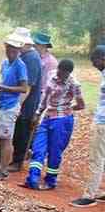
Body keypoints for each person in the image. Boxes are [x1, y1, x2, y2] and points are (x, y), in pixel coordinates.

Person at [0, 27, 43, 171]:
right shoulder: (18, 57)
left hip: (25, 102)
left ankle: (16, 161)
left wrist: (18, 105)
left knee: (21, 131)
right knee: (7, 132)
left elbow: (27, 87)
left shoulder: (32, 59)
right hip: (11, 101)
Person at [23, 59, 84, 190]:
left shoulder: (74, 84)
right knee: (38, 147)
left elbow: (81, 104)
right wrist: (38, 113)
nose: (61, 74)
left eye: (64, 73)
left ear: (69, 73)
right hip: (47, 117)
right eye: (59, 71)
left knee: (55, 151)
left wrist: (67, 108)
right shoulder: (52, 76)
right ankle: (32, 179)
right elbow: (45, 97)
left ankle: (50, 181)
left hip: (62, 121)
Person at [0, 33, 30, 181]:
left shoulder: (20, 66)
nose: (11, 51)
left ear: (18, 50)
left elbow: (24, 88)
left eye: (14, 49)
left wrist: (2, 87)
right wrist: (0, 86)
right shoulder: (5, 63)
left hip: (10, 105)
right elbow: (5, 81)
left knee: (6, 138)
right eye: (9, 48)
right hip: (3, 103)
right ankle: (1, 166)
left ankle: (4, 170)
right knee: (3, 137)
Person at [71, 46, 105, 207]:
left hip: (102, 123)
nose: (93, 64)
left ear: (103, 58)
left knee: (96, 159)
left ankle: (89, 195)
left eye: (95, 60)